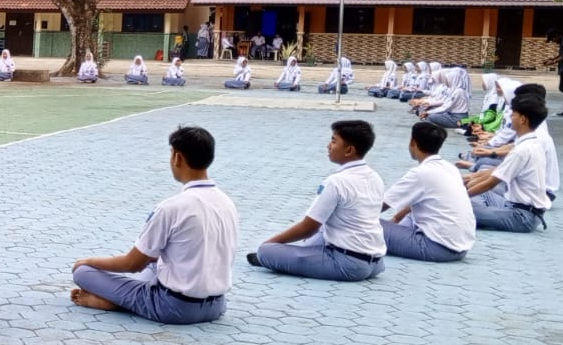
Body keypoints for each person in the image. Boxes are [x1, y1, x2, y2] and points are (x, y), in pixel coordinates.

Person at [71, 126, 236, 324]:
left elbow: (132, 264)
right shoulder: (227, 203)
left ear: (177, 157)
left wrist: (88, 261)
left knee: (83, 272)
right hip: (216, 306)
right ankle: (121, 298)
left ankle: (117, 302)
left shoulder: (172, 207)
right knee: (154, 264)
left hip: (173, 307)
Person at [250, 120, 385, 281]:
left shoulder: (336, 182)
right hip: (376, 263)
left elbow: (308, 228)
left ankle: (272, 256)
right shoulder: (375, 177)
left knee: (267, 252)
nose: (328, 146)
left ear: (349, 150)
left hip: (348, 265)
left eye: (334, 141)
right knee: (320, 234)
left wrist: (269, 244)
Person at [380, 122, 476, 262]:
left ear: (413, 142)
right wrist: (396, 219)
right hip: (460, 248)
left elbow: (380, 206)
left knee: (359, 225)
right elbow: (416, 199)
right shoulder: (450, 168)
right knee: (409, 217)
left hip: (436, 248)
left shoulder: (420, 173)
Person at [466, 95, 551, 232]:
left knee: (459, 209)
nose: (510, 118)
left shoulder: (522, 150)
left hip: (521, 216)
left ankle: (474, 214)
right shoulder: (532, 142)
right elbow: (493, 175)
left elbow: (490, 183)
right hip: (515, 206)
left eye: (513, 115)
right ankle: (480, 214)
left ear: (523, 119)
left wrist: (460, 198)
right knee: (479, 196)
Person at [547, 27, 563, 115]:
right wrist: (552, 59)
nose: (553, 41)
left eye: (552, 39)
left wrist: (553, 61)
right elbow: (561, 54)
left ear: (557, 35)